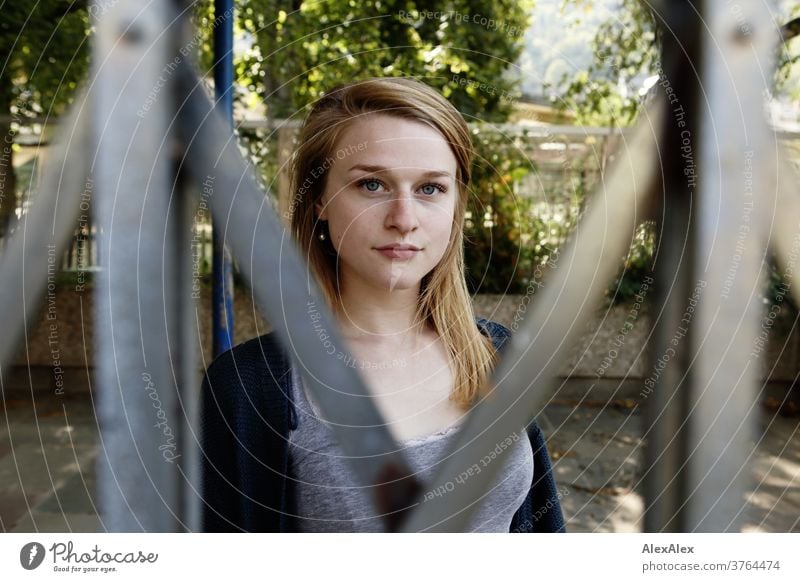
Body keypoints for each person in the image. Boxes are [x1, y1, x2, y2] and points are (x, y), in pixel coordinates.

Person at [200, 76, 565, 533]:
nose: (404, 220)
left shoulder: (496, 352)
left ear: (456, 206)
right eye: (372, 185)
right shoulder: (247, 390)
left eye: (431, 189)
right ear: (319, 201)